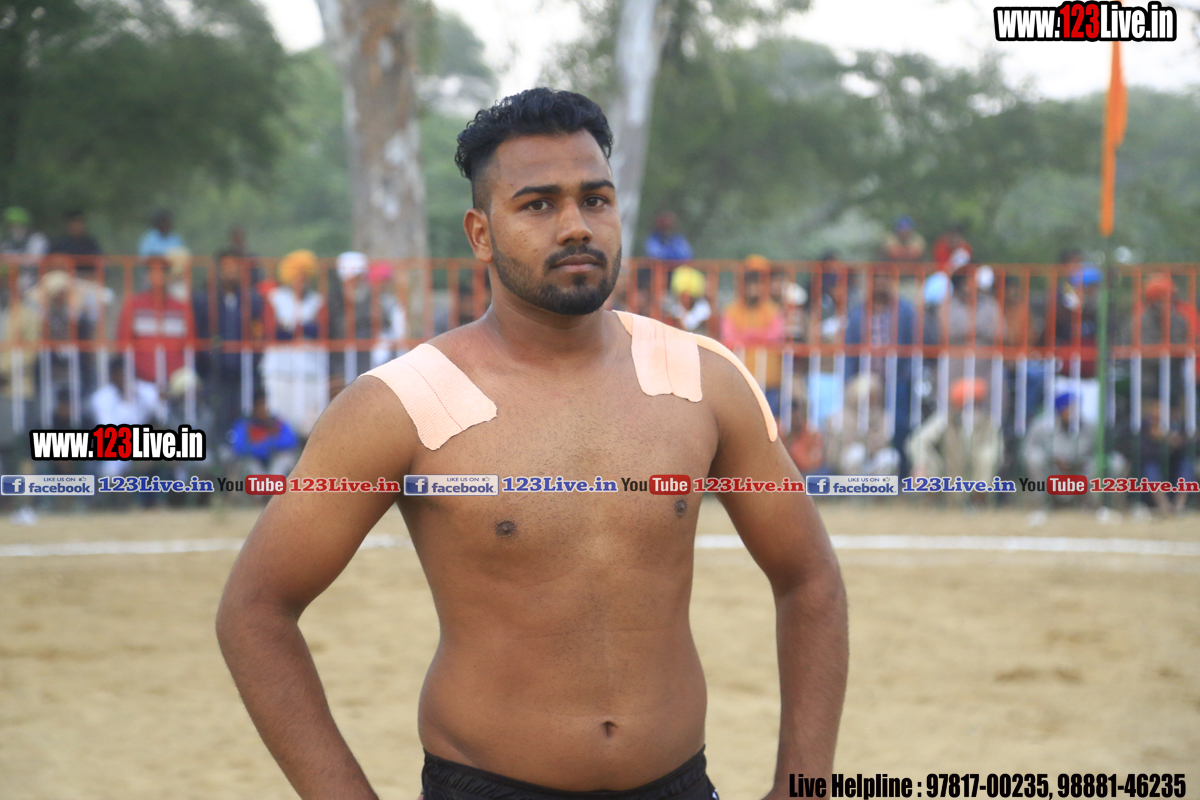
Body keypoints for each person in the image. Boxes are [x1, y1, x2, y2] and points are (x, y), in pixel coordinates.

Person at [217, 87, 846, 800]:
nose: (576, 226)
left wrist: (805, 786)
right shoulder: (406, 401)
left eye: (596, 199)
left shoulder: (701, 380)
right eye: (538, 204)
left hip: (677, 784)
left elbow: (809, 576)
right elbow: (255, 610)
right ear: (480, 234)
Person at [262, 249, 325, 437]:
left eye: (304, 275)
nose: (300, 279)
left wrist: (289, 327)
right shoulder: (275, 298)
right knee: (281, 420)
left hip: (310, 369)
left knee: (310, 423)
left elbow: (319, 330)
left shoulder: (317, 301)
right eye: (296, 275)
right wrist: (303, 326)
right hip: (280, 369)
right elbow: (273, 332)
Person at [906, 378, 1003, 489]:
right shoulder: (945, 420)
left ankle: (979, 496)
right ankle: (932, 495)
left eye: (977, 404)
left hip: (978, 485)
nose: (973, 410)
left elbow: (997, 454)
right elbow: (918, 441)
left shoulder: (989, 424)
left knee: (988, 456)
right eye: (968, 406)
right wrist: (921, 466)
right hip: (947, 481)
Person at [720, 257, 785, 416]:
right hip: (740, 381)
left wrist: (747, 335)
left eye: (759, 283)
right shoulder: (732, 310)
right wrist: (759, 336)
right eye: (752, 283)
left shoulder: (772, 310)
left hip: (769, 381)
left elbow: (776, 335)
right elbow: (728, 337)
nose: (755, 288)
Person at [116, 257, 194, 389]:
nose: (158, 276)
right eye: (153, 271)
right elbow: (123, 343)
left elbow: (190, 345)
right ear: (147, 276)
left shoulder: (182, 308)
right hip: (140, 382)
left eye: (162, 271)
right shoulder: (133, 305)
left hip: (174, 382)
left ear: (168, 276)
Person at [225, 388, 299, 478]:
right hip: (254, 461)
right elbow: (238, 447)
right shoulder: (245, 424)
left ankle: (273, 485)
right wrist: (259, 449)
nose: (262, 409)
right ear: (253, 407)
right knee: (251, 465)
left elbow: (291, 441)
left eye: (264, 404)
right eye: (259, 405)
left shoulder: (276, 422)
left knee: (284, 459)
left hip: (275, 460)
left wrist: (270, 444)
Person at [665, 265, 711, 334]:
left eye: (690, 295)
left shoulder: (704, 309)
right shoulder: (672, 309)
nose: (686, 298)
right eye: (683, 294)